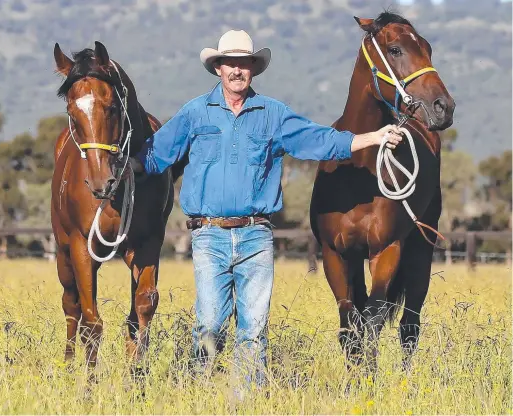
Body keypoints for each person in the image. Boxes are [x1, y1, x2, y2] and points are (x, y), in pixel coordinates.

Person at [129, 29, 402, 388]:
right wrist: (113, 165)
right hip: (208, 235)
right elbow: (153, 156)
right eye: (230, 63)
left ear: (253, 69)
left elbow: (318, 140)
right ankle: (196, 391)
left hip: (256, 236)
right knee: (209, 323)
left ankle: (247, 400)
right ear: (218, 68)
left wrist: (373, 136)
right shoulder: (195, 113)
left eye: (244, 63)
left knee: (253, 330)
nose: (237, 70)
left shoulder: (273, 114)